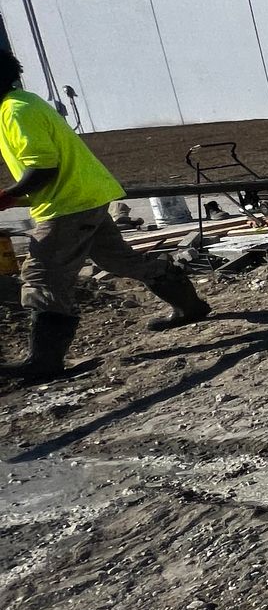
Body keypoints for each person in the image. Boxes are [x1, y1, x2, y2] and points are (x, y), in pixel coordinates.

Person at [0, 49, 209, 383]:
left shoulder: (15, 110)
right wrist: (16, 197)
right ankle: (190, 306)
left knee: (42, 277)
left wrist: (8, 195)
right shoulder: (25, 102)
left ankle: (44, 362)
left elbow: (44, 167)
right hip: (86, 196)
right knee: (120, 260)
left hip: (67, 206)